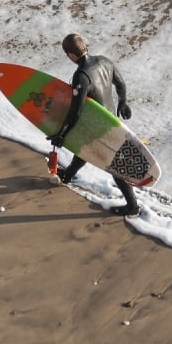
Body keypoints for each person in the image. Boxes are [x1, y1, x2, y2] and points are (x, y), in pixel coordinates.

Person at [47, 33, 139, 217]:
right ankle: (68, 175)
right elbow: (120, 83)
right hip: (113, 121)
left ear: (71, 55)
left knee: (113, 166)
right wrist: (123, 102)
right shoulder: (104, 61)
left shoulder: (81, 76)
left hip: (99, 127)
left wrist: (61, 135)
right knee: (85, 148)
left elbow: (76, 111)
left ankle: (133, 207)